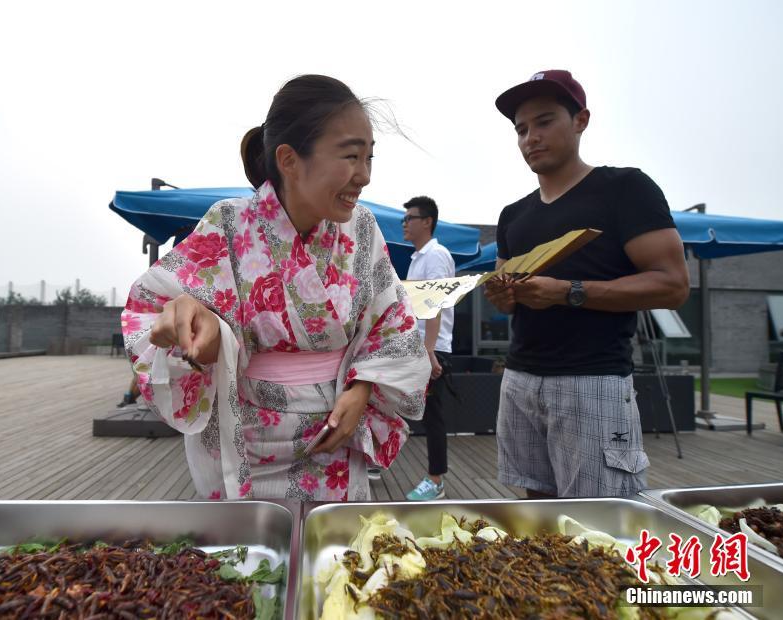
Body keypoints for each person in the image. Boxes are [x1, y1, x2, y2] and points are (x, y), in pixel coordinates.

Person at [123, 74, 430, 501]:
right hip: (244, 446)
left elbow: (392, 322)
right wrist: (201, 335)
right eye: (351, 156)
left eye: (369, 158)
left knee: (337, 560)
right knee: (250, 558)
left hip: (336, 443)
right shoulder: (228, 224)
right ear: (288, 159)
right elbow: (155, 309)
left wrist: (363, 390)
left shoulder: (363, 229)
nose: (363, 176)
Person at [484, 70, 689, 498]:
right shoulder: (512, 214)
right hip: (520, 378)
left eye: (544, 122)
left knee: (602, 527)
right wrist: (502, 296)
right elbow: (507, 303)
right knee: (537, 523)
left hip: (592, 380)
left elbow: (673, 285)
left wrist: (568, 291)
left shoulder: (625, 188)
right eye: (521, 129)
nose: (530, 138)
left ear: (581, 120)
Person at [400, 196, 456, 501]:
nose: (405, 224)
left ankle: (436, 480)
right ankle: (379, 458)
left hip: (432, 348)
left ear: (427, 222)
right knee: (391, 398)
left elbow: (435, 303)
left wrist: (430, 351)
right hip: (417, 346)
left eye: (409, 218)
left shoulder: (436, 255)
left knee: (433, 414)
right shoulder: (417, 257)